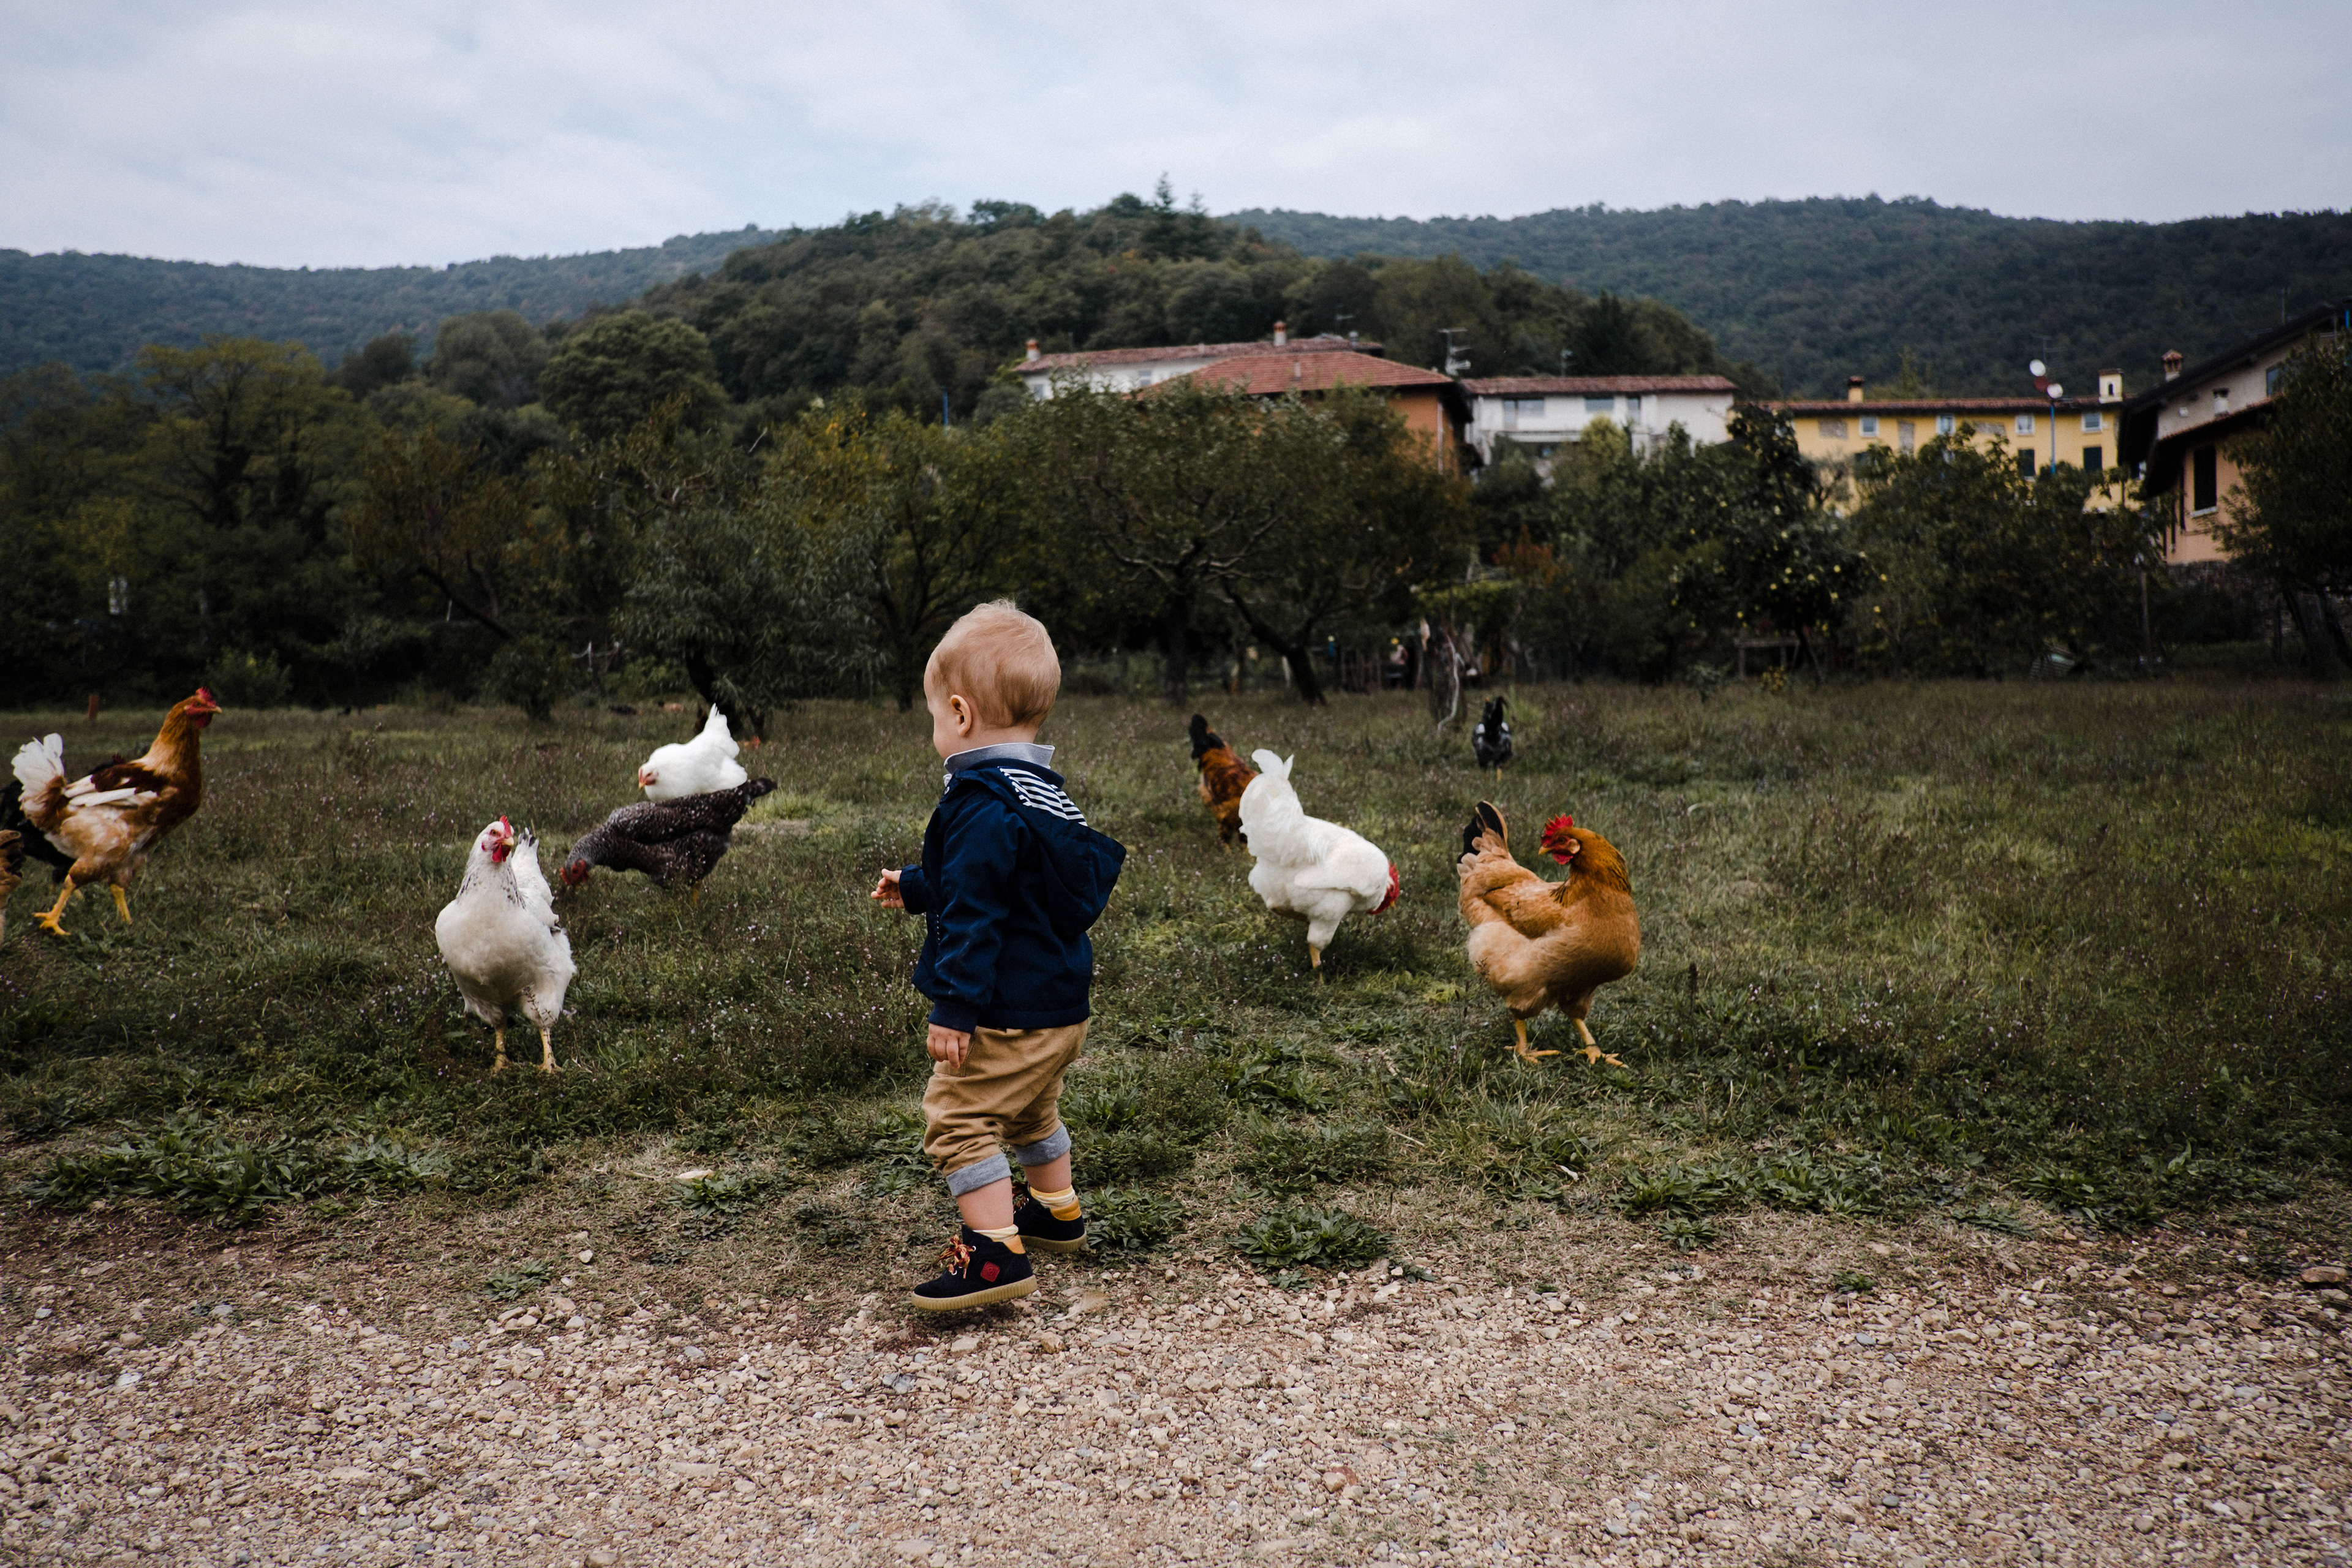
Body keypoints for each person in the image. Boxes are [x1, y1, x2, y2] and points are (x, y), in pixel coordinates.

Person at [870, 601, 1128, 1310]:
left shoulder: (980, 803)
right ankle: (1056, 1209)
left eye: (931, 717)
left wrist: (955, 1007)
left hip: (1007, 1008)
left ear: (959, 713)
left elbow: (980, 913)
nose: (934, 731)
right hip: (1060, 1005)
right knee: (1032, 1110)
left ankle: (994, 1256)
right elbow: (1001, 882)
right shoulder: (1044, 794)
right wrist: (920, 884)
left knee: (958, 1115)